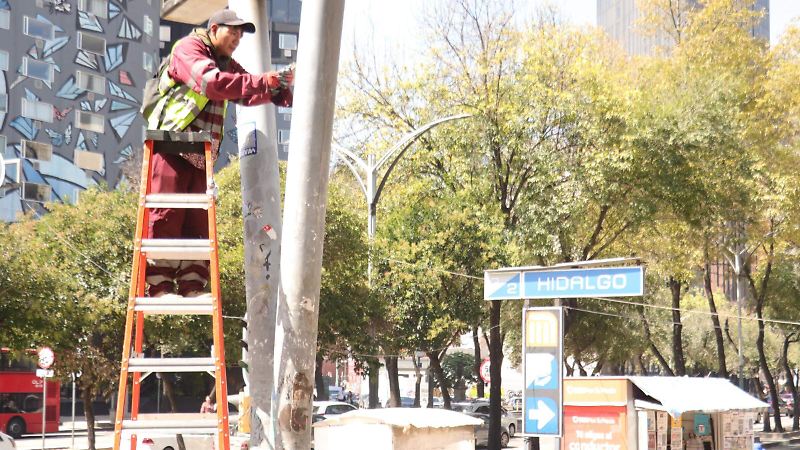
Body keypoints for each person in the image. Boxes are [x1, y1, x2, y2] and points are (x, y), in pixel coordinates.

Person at [143, 8, 293, 298]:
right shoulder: (189, 49)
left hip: (201, 153)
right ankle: (160, 284)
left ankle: (191, 283)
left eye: (240, 34)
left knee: (198, 221)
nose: (237, 38)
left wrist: (283, 89)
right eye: (232, 31)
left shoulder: (225, 63)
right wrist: (269, 82)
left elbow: (247, 90)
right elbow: (212, 84)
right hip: (172, 144)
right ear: (213, 29)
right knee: (167, 215)